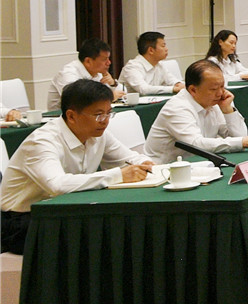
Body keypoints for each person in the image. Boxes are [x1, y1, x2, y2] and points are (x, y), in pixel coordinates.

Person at [0, 80, 154, 254]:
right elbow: (57, 185)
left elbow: (130, 158)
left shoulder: (97, 134)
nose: (105, 121)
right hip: (23, 220)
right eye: (98, 115)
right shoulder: (42, 142)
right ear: (72, 116)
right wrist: (118, 175)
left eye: (108, 113)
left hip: (65, 211)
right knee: (103, 235)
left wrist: (145, 163)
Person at [144, 60, 248, 165]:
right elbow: (196, 144)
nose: (220, 93)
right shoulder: (177, 108)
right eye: (214, 89)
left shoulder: (215, 101)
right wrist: (242, 142)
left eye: (222, 86)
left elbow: (240, 136)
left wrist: (228, 110)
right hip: (164, 171)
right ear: (193, 90)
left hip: (198, 166)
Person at [47, 39, 124, 111]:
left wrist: (113, 83)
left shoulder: (97, 73)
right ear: (88, 61)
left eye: (108, 59)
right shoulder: (68, 73)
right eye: (104, 59)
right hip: (62, 117)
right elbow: (78, 100)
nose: (109, 63)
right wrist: (109, 97)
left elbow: (123, 93)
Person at [119, 31, 182, 95]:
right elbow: (143, 89)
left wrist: (179, 84)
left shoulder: (159, 65)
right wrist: (173, 89)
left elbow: (172, 80)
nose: (166, 49)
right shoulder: (132, 67)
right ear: (151, 50)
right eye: (163, 46)